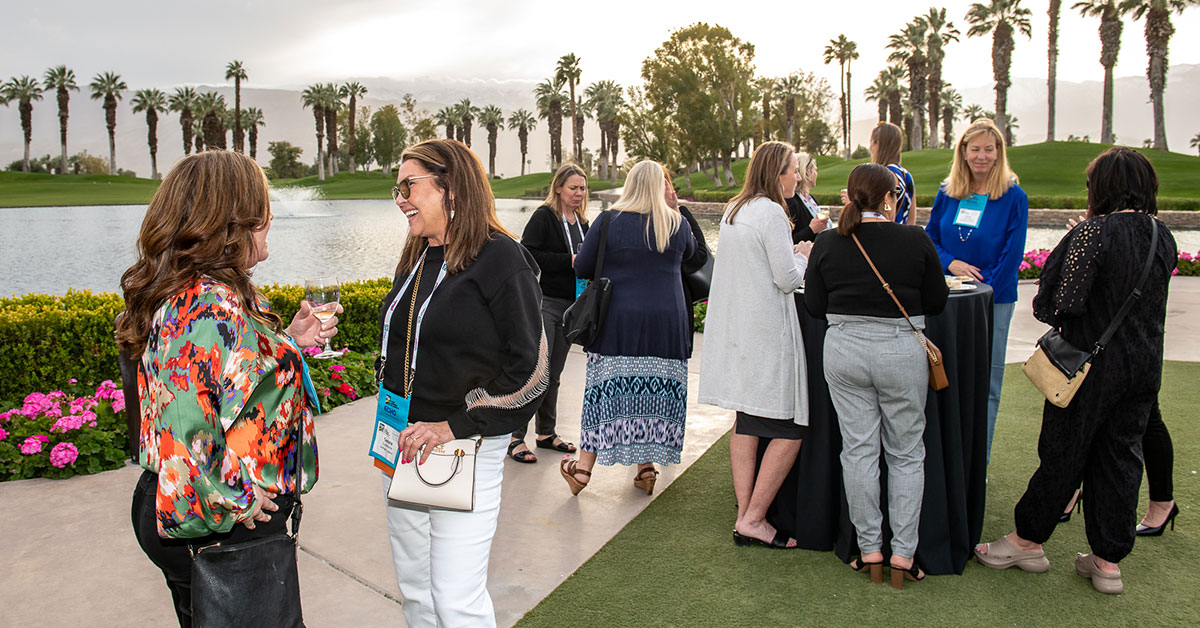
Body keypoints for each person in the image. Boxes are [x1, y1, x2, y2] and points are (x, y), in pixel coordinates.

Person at [119, 150, 338, 628]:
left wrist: (289, 342)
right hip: (221, 521)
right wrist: (236, 498)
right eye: (261, 207)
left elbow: (220, 377)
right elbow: (184, 423)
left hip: (209, 513)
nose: (272, 217)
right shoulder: (204, 302)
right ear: (231, 220)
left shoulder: (207, 291)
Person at [974, 147, 1177, 595]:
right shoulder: (1163, 235)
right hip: (1144, 366)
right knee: (1122, 458)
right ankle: (1107, 561)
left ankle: (1026, 540)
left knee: (1064, 453)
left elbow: (1058, 304)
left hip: (1088, 367)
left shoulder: (1093, 232)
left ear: (1100, 187)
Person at [379, 139, 548, 626]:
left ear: (450, 188)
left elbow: (532, 372)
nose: (400, 198)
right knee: (416, 594)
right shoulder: (417, 254)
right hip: (404, 445)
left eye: (410, 185)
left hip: (463, 448)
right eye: (398, 188)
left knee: (455, 599)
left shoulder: (502, 259)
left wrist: (453, 425)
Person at [805, 163, 948, 588]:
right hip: (901, 351)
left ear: (851, 195)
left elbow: (814, 304)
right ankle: (902, 556)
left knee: (859, 451)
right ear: (890, 199)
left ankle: (868, 550)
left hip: (845, 351)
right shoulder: (915, 239)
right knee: (905, 452)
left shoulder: (829, 242)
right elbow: (937, 301)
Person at [559, 160, 696, 496]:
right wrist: (676, 208)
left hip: (618, 320)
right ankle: (647, 468)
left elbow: (585, 268)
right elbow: (695, 256)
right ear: (661, 187)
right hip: (667, 322)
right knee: (653, 394)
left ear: (630, 184)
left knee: (605, 393)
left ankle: (582, 472)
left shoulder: (608, 221)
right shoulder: (676, 224)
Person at [698, 140, 809, 549]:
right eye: (794, 169)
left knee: (746, 419)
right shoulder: (772, 213)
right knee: (792, 426)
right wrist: (803, 255)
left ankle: (745, 515)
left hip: (739, 330)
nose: (797, 176)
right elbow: (786, 278)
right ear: (777, 172)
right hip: (766, 332)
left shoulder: (734, 209)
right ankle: (756, 517)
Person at [925, 118, 1028, 465]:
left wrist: (982, 292)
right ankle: (944, 459)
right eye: (975, 149)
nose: (982, 156)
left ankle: (976, 463)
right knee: (944, 377)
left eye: (989, 149)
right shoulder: (947, 192)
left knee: (986, 384)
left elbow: (1011, 255)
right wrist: (950, 263)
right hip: (947, 300)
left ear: (999, 153)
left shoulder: (1014, 198)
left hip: (993, 302)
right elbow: (930, 240)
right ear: (963, 152)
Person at [513, 163, 589, 463]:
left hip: (573, 306)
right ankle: (515, 437)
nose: (579, 194)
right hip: (546, 303)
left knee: (554, 374)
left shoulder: (583, 222)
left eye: (582, 189)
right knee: (537, 372)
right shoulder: (544, 216)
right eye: (573, 188)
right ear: (558, 188)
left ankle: (546, 433)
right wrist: (567, 260)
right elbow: (528, 252)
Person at [663, 164, 711, 355]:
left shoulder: (682, 216)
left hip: (679, 300)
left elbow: (699, 256)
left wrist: (675, 212)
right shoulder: (636, 221)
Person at [839, 122, 915, 226]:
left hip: (885, 237)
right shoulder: (907, 175)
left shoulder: (884, 176)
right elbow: (911, 219)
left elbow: (885, 213)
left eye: (871, 142)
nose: (870, 147)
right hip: (903, 237)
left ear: (877, 143)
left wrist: (853, 201)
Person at [785, 152, 831, 243]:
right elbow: (787, 241)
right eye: (815, 170)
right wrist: (811, 230)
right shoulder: (792, 202)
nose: (816, 174)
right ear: (808, 173)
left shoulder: (810, 199)